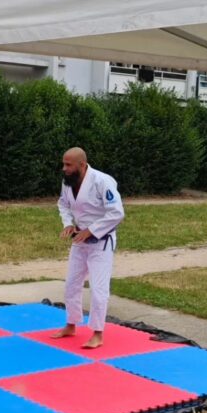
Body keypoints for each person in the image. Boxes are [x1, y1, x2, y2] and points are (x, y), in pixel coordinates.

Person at [51, 147, 124, 350]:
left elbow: (117, 213)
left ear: (82, 165)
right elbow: (63, 204)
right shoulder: (68, 181)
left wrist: (91, 231)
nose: (64, 168)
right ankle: (71, 324)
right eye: (63, 163)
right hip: (80, 239)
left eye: (68, 164)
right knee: (71, 284)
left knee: (98, 289)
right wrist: (68, 223)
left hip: (101, 241)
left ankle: (98, 333)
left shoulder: (103, 181)